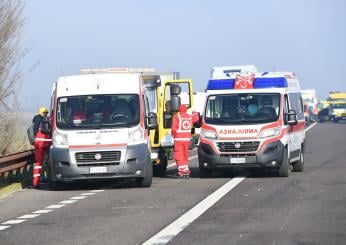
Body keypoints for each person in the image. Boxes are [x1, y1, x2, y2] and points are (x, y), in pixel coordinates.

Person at [171, 104, 199, 178]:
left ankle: (181, 171)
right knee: (185, 155)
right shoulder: (189, 117)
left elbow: (174, 129)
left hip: (178, 140)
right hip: (187, 140)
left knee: (178, 155)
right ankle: (186, 170)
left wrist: (174, 136)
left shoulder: (177, 116)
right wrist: (194, 112)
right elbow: (196, 118)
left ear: (179, 110)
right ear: (185, 110)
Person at [32, 106, 52, 188]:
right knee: (40, 164)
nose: (46, 114)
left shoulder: (38, 120)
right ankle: (36, 182)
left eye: (46, 113)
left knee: (41, 164)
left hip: (41, 145)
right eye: (45, 113)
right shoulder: (41, 120)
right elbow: (39, 133)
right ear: (41, 113)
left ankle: (38, 181)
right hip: (42, 145)